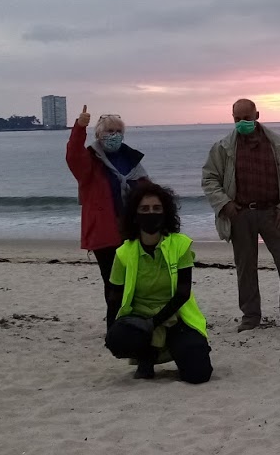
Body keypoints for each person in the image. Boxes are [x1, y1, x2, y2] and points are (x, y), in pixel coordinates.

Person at [202, 99, 280, 335]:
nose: (242, 123)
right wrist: (225, 204)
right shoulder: (223, 147)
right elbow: (209, 178)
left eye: (246, 119)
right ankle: (250, 317)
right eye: (237, 119)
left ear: (257, 115)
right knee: (245, 268)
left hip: (275, 213)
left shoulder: (277, 144)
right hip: (240, 214)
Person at [104, 182, 212, 383]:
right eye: (144, 209)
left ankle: (178, 348)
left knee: (199, 374)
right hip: (139, 320)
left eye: (156, 208)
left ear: (165, 213)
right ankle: (146, 355)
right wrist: (111, 333)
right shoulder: (123, 253)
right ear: (135, 216)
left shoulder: (181, 245)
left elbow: (183, 293)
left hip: (174, 318)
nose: (150, 213)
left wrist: (153, 323)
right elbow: (114, 297)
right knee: (117, 338)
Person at [67, 106, 148, 326]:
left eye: (117, 131)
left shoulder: (131, 160)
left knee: (135, 280)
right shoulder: (90, 161)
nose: (113, 135)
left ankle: (133, 320)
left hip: (132, 231)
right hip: (104, 232)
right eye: (108, 131)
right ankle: (114, 326)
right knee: (113, 282)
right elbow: (73, 155)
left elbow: (147, 192)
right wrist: (79, 126)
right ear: (98, 136)